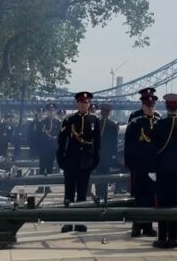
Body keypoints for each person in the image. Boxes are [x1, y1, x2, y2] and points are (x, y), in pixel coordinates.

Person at [151, 93, 177, 249]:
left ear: (166, 105)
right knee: (176, 203)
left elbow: (152, 149)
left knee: (162, 204)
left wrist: (152, 169)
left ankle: (162, 237)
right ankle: (173, 238)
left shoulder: (158, 125)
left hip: (161, 169)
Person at [56, 91, 100, 233]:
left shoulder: (94, 120)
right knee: (69, 193)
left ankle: (80, 222)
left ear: (89, 104)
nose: (83, 105)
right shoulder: (69, 119)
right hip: (71, 161)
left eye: (86, 103)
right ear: (77, 104)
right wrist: (60, 159)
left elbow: (97, 142)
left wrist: (95, 160)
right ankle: (68, 222)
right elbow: (62, 141)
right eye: (81, 102)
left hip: (86, 162)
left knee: (82, 194)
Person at [124, 87, 160, 238]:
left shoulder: (158, 119)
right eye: (148, 105)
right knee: (139, 196)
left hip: (153, 165)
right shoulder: (135, 120)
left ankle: (148, 226)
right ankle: (137, 226)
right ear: (143, 104)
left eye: (152, 105)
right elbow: (129, 144)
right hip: (139, 165)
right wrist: (130, 163)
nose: (150, 108)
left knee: (151, 196)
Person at [94, 102, 119, 201]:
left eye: (106, 111)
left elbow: (114, 141)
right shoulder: (97, 123)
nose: (105, 113)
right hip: (100, 154)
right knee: (100, 175)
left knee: (103, 175)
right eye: (105, 111)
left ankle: (102, 194)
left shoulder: (111, 125)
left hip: (104, 155)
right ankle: (100, 194)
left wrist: (113, 154)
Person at [37, 104, 60, 176]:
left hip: (52, 148)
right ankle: (40, 183)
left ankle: (48, 183)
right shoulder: (42, 122)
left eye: (52, 110)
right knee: (42, 166)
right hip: (43, 147)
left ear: (55, 111)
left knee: (50, 167)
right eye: (49, 111)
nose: (51, 112)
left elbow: (60, 135)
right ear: (47, 111)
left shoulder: (58, 122)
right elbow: (38, 135)